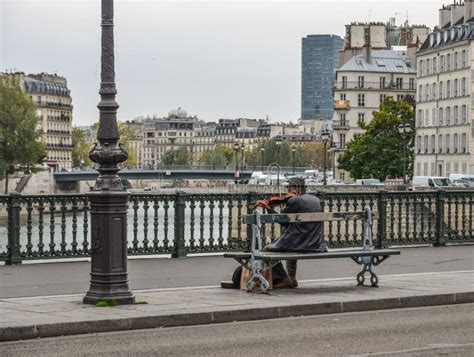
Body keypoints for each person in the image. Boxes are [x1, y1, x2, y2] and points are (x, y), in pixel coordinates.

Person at [263, 176, 327, 288]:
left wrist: (268, 208)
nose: (287, 191)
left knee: (266, 250)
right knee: (290, 246)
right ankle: (292, 277)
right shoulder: (315, 200)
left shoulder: (295, 200)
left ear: (296, 188)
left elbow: (282, 221)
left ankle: (285, 278)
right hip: (315, 243)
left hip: (298, 242)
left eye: (289, 188)